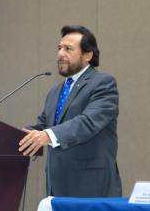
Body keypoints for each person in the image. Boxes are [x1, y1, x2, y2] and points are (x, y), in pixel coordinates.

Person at [18, 25, 122, 197]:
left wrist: (47, 135)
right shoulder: (54, 92)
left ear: (88, 55)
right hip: (57, 189)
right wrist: (16, 137)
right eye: (59, 48)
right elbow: (42, 126)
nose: (60, 54)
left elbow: (88, 122)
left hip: (91, 189)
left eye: (68, 49)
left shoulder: (103, 83)